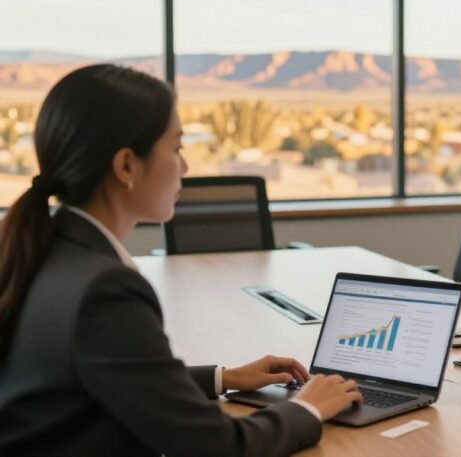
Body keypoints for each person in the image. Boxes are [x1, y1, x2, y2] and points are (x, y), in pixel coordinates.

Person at [0, 65, 363, 456]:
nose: (185, 167)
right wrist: (308, 408)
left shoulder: (48, 249)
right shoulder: (104, 290)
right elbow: (217, 447)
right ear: (126, 166)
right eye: (175, 148)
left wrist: (226, 378)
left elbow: (107, 374)